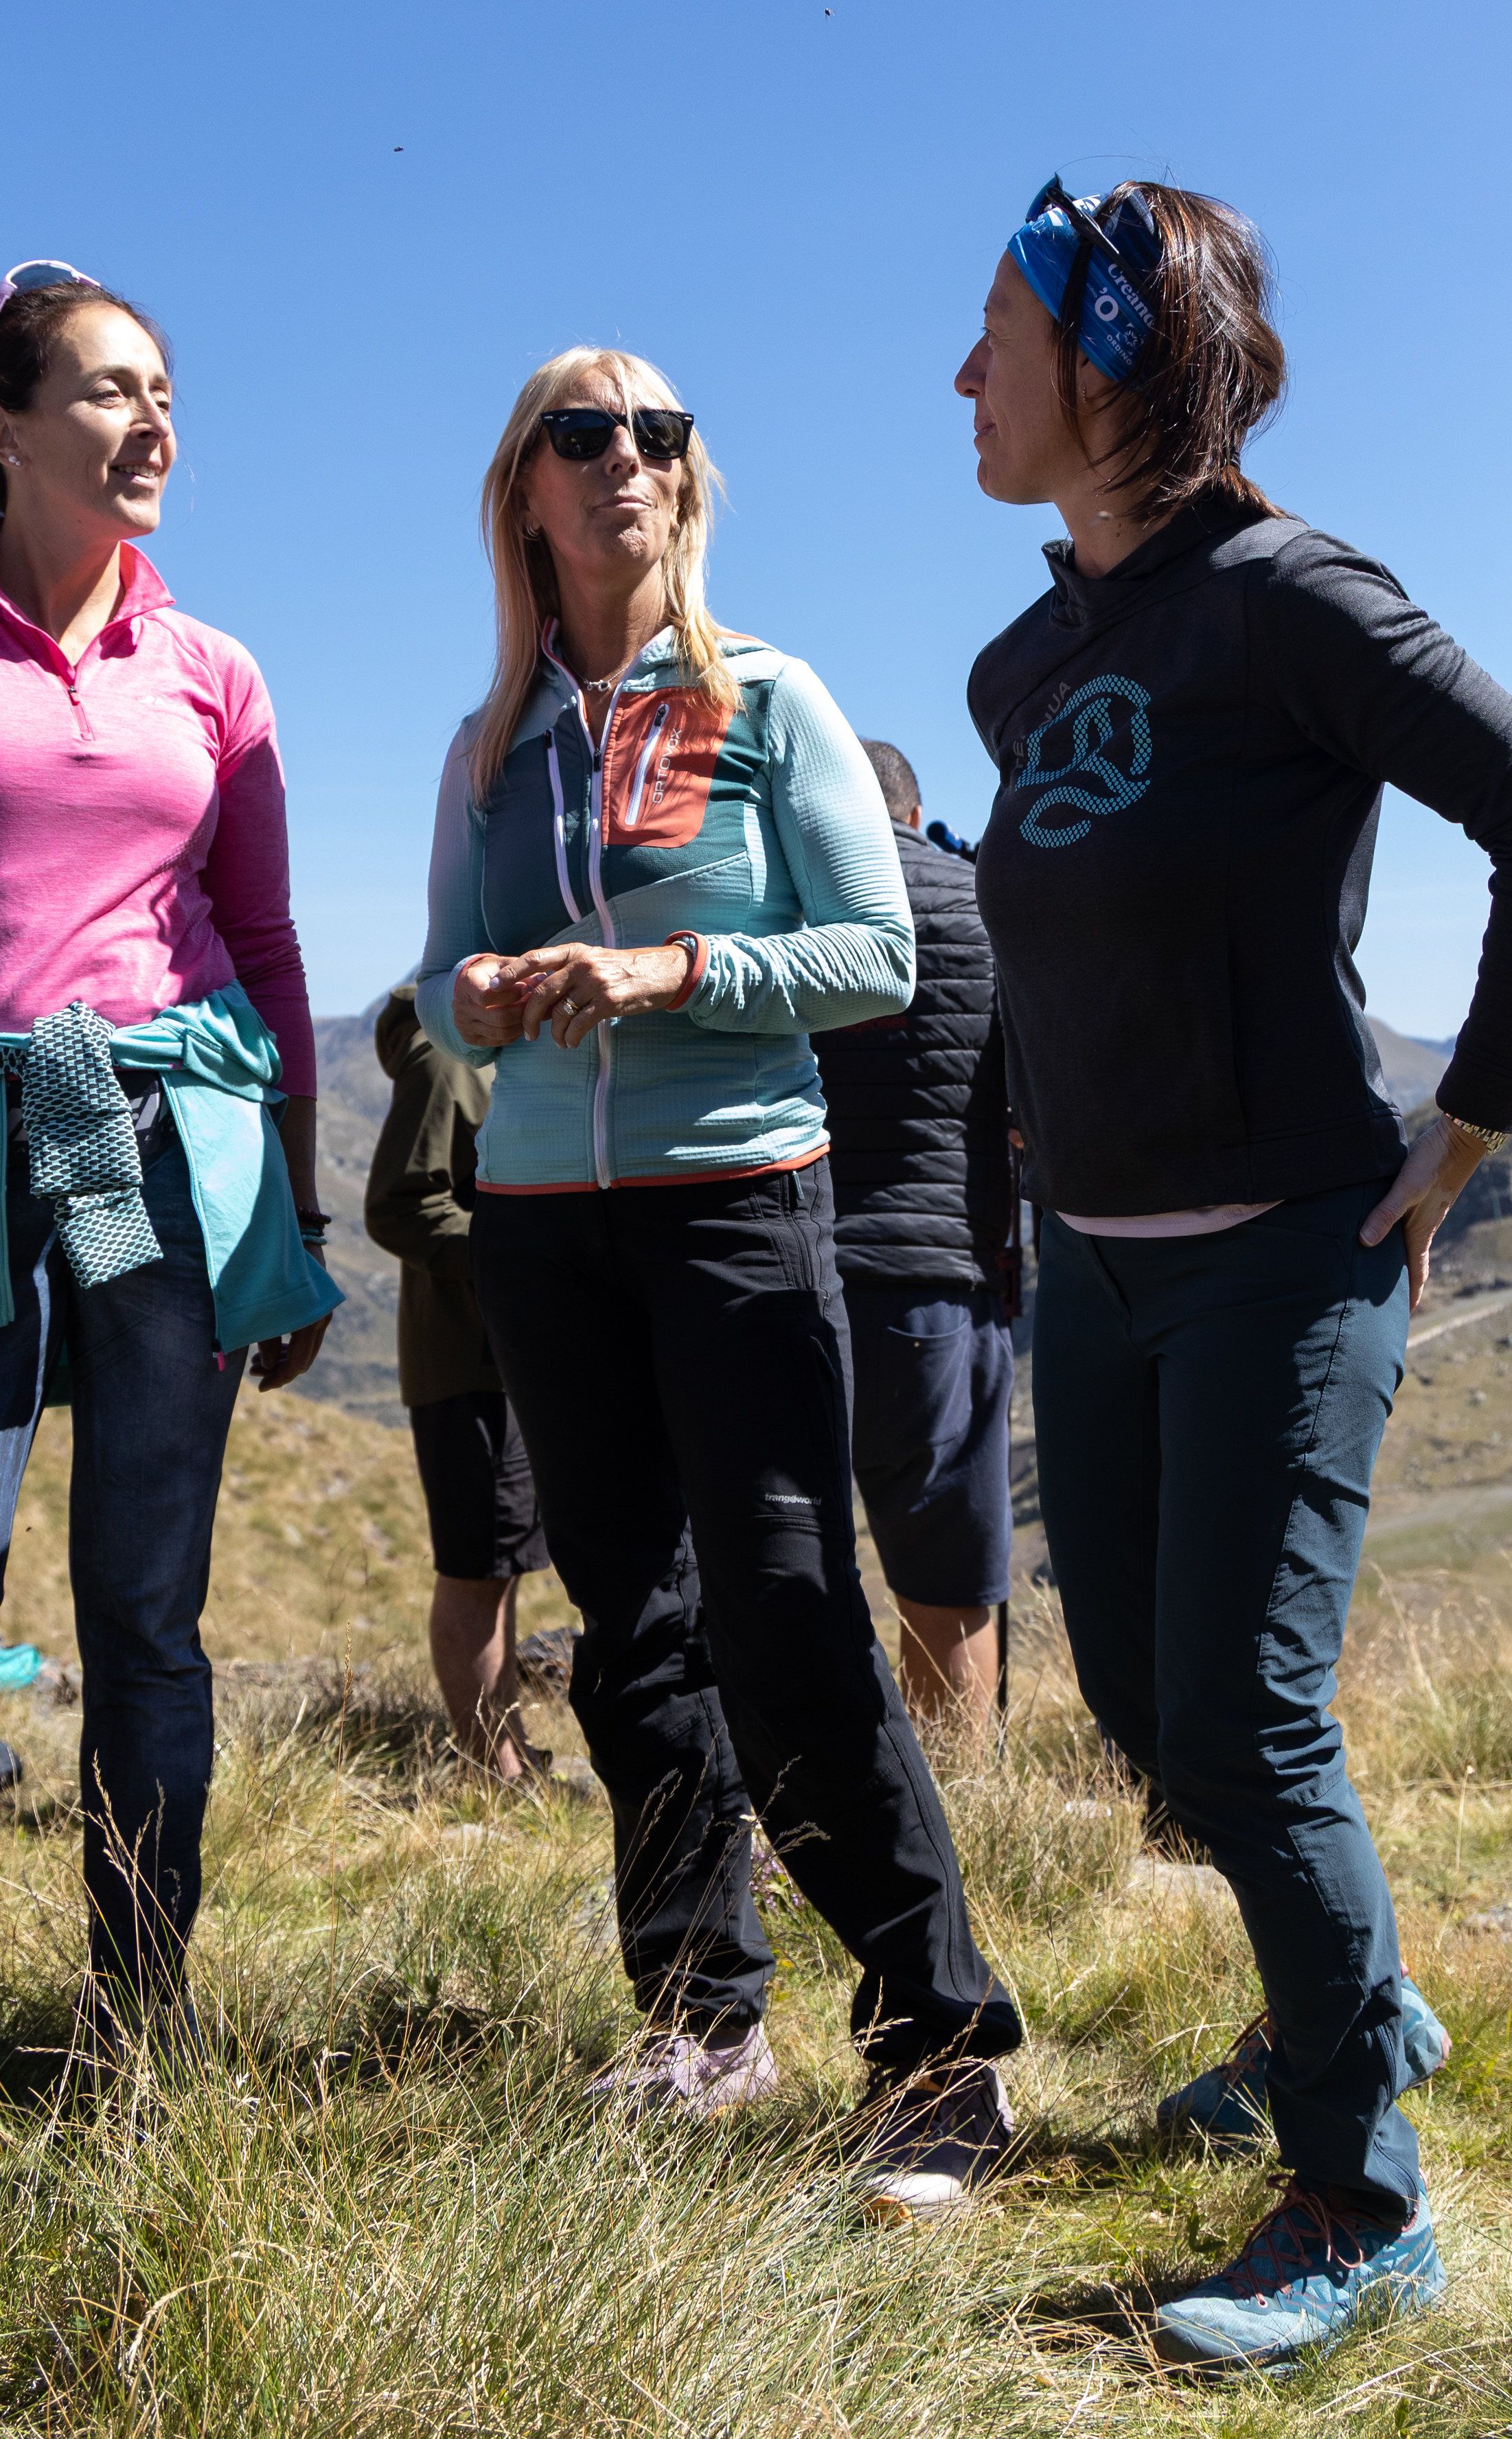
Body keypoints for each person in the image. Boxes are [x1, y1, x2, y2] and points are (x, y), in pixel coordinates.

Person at [956, 176, 1512, 2368]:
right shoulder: (1020, 662)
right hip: (1094, 1269)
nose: (961, 381)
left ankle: (1356, 2204)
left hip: (1281, 1257)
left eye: (993, 339)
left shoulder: (1286, 598)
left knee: (1242, 1718)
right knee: (1150, 1715)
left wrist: (1473, 1120)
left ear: (1110, 358)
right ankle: (1345, 2006)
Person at [417, 347, 1022, 2218]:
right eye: (584, 434)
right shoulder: (492, 738)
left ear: (692, 479)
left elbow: (873, 957)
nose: (629, 459)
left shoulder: (770, 696)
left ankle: (938, 2046)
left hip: (738, 1207)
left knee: (782, 1615)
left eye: (660, 433)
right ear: (526, 487)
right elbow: (439, 980)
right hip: (540, 1219)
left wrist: (672, 982)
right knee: (638, 1628)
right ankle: (700, 2012)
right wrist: (492, 999)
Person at [0, 260, 334, 2062]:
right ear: (4, 428)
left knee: (150, 1626)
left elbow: (264, 945)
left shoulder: (213, 671)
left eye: (165, 388)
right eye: (107, 389)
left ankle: (138, 2022)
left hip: (171, 1147)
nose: (152, 418)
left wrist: (301, 1205)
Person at [812, 739, 1020, 1733]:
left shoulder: (783, 908)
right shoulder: (985, 905)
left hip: (787, 1270)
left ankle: (797, 1813)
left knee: (783, 1570)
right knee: (948, 1577)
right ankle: (962, 1815)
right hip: (939, 1275)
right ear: (911, 808)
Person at [365, 979, 546, 1780]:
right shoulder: (446, 1059)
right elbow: (397, 1206)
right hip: (465, 1358)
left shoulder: (497, 1052)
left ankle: (505, 1747)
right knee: (476, 1567)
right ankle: (489, 1768)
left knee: (501, 1565)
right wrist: (515, 1257)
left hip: (506, 1353)